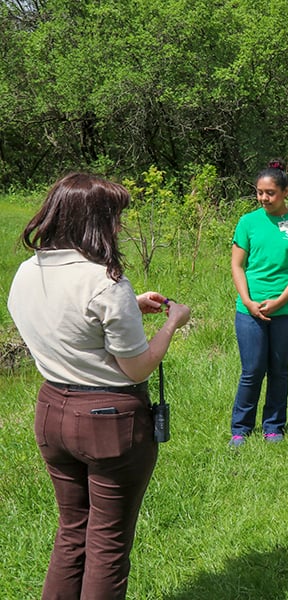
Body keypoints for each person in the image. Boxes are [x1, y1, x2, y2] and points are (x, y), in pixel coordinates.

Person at [7, 173, 191, 600]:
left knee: (72, 531)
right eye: (116, 217)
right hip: (111, 420)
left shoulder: (25, 272)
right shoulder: (105, 281)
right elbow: (138, 368)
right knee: (108, 542)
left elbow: (71, 329)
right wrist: (170, 324)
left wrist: (129, 308)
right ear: (94, 221)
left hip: (52, 409)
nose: (121, 226)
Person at [229, 160, 288, 447]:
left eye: (270, 193)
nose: (264, 198)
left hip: (286, 312)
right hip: (249, 311)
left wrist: (279, 302)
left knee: (278, 370)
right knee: (252, 370)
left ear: (286, 192)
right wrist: (248, 301)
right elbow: (237, 266)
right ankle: (241, 428)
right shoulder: (247, 223)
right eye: (259, 192)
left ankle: (273, 426)